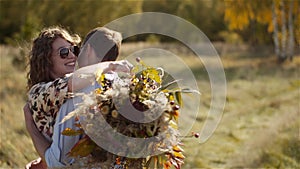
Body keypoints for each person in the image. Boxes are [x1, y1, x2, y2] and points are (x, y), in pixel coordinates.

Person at [24, 27, 131, 168]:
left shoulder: (96, 85)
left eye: (74, 49)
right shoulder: (39, 92)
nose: (72, 56)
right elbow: (71, 82)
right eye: (63, 52)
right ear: (46, 59)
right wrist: (109, 66)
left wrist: (31, 130)